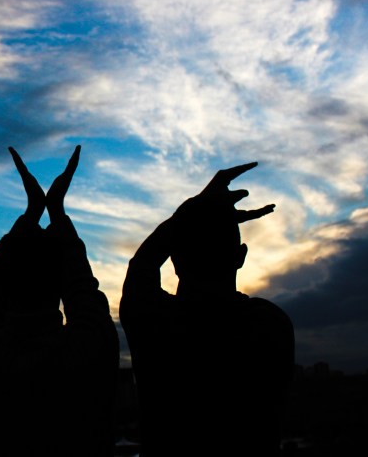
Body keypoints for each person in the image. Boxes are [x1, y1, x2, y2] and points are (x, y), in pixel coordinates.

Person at [0, 147, 119, 457]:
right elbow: (82, 290)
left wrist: (34, 212)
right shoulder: (89, 346)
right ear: (61, 282)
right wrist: (55, 211)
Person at [120, 162, 294, 456]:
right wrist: (198, 214)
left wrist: (190, 210)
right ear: (241, 256)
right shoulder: (270, 323)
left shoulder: (154, 320)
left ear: (174, 260)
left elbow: (143, 264)